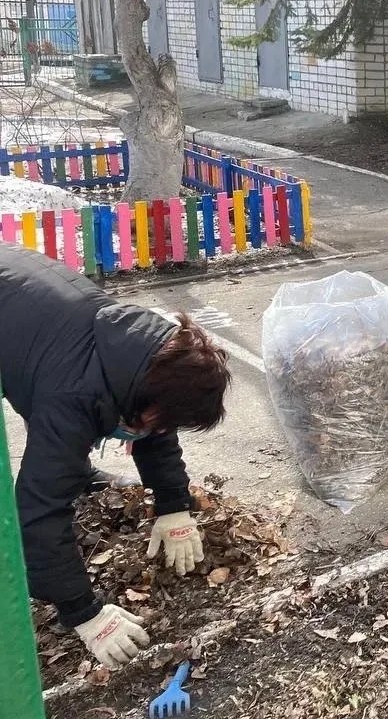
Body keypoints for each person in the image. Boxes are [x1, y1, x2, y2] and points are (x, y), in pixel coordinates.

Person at [0, 244, 230, 668]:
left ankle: (78, 472)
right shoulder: (74, 393)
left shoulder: (143, 352)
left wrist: (174, 506)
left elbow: (156, 423)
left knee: (64, 426)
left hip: (25, 310)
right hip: (16, 312)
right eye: (162, 420)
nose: (162, 430)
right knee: (51, 458)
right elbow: (38, 509)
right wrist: (84, 614)